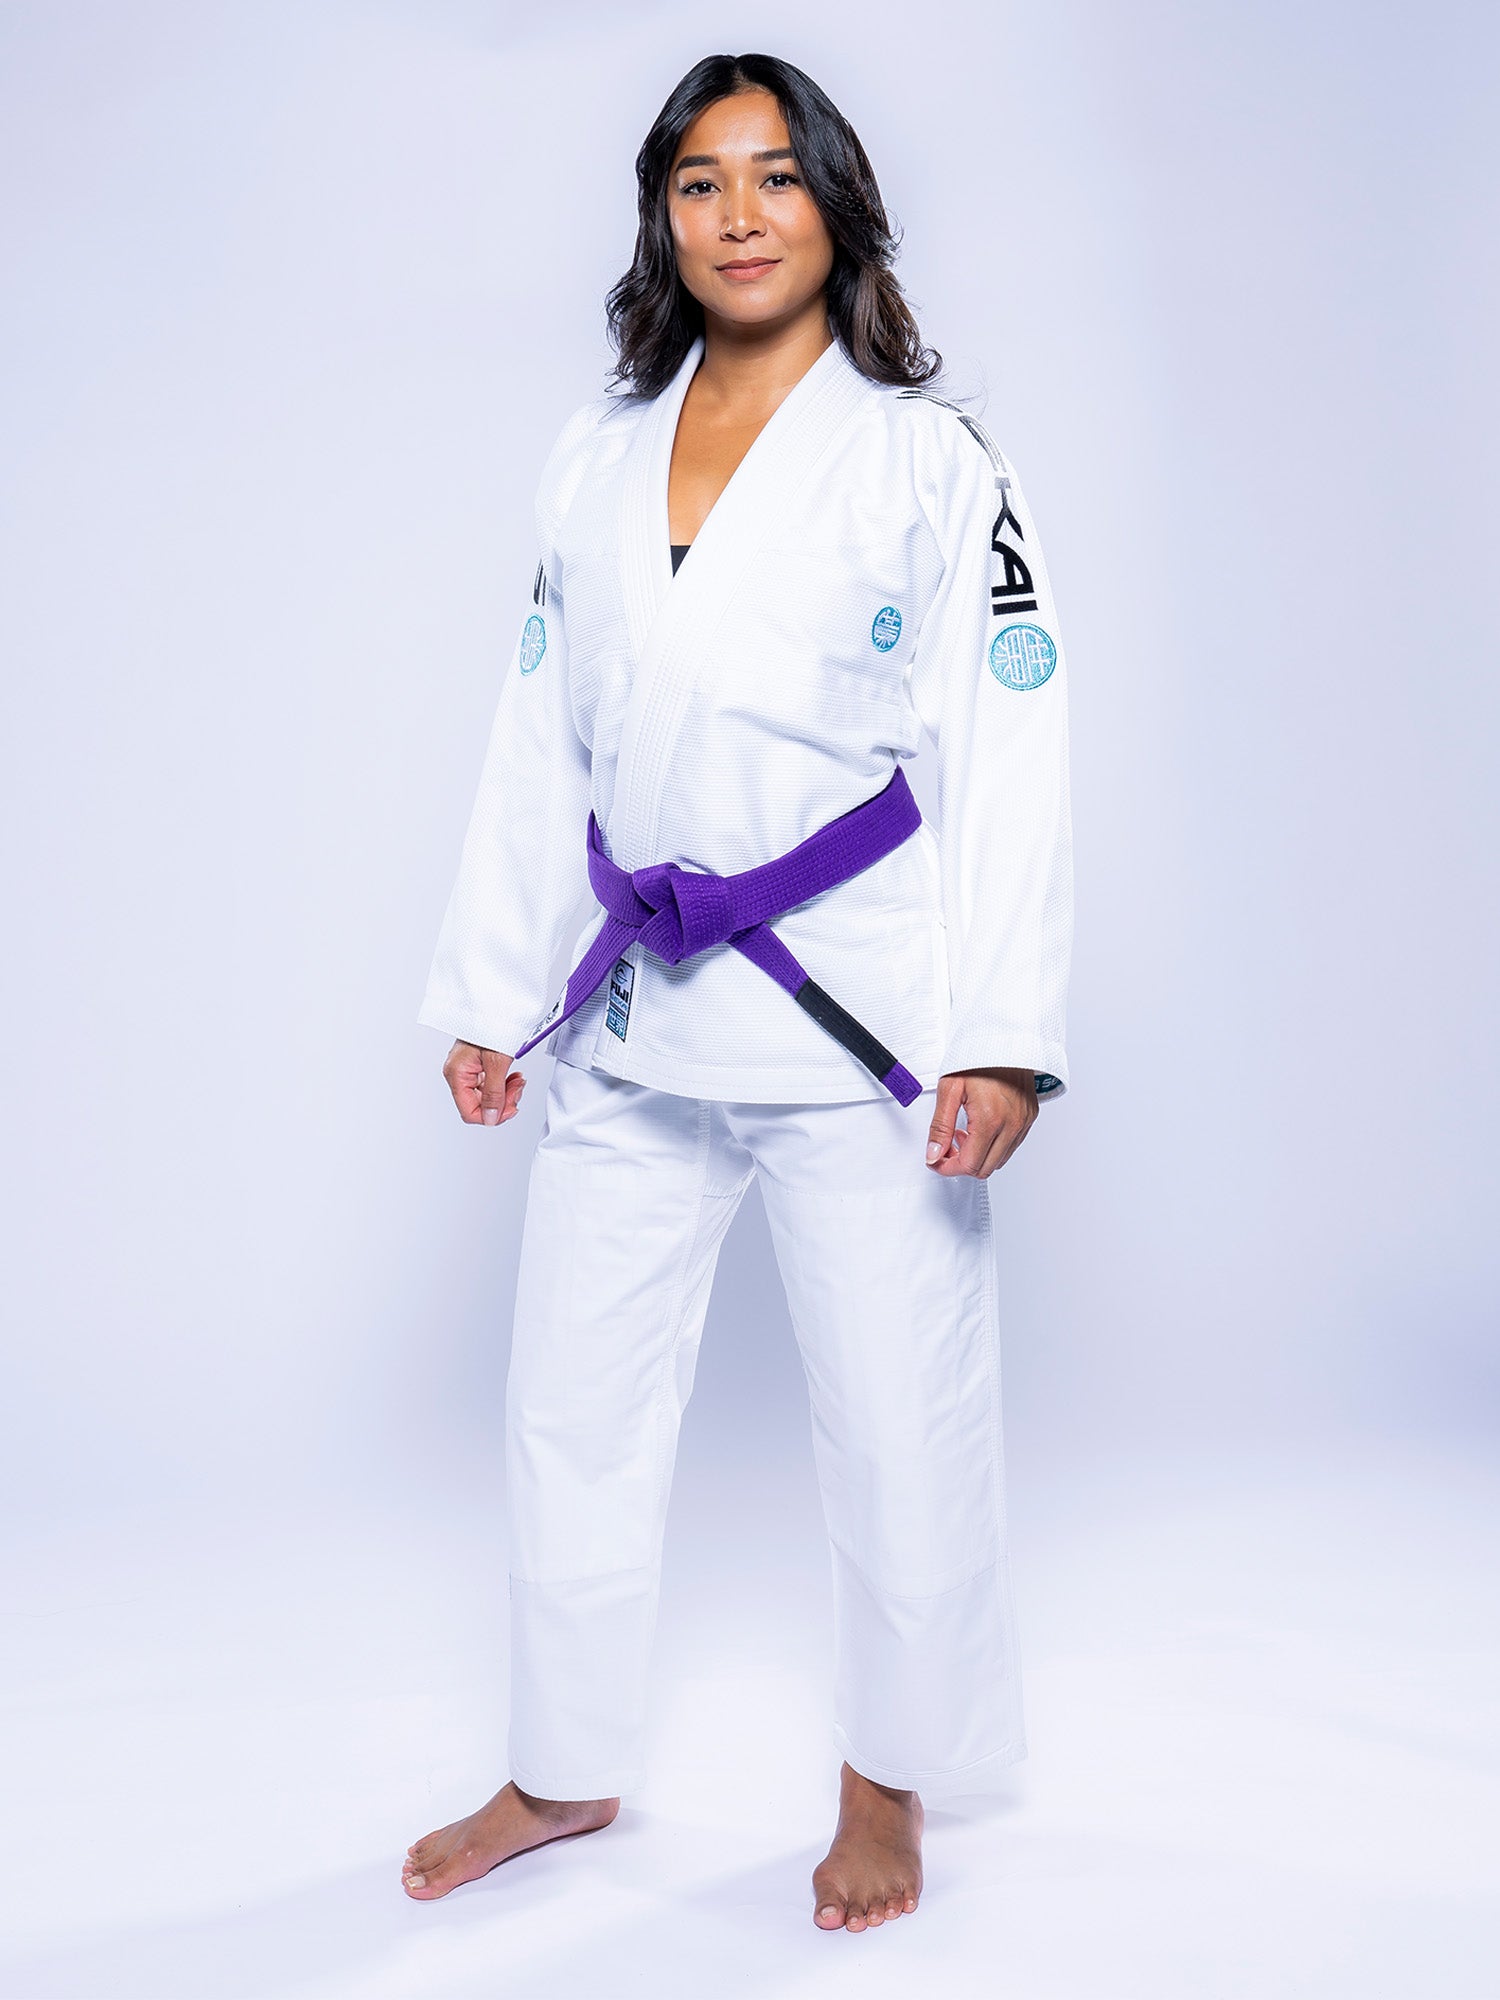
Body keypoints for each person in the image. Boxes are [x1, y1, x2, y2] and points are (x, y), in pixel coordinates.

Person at [403, 51, 1073, 1934]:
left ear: (837, 203)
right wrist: (494, 990)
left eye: (776, 176)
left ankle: (888, 1780)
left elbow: (1010, 749)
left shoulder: (933, 462)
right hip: (635, 1009)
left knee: (898, 1411)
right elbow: (541, 735)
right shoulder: (596, 454)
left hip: (858, 1015)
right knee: (570, 1400)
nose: (741, 215)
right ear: (664, 219)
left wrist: (1006, 1040)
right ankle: (563, 1762)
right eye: (701, 183)